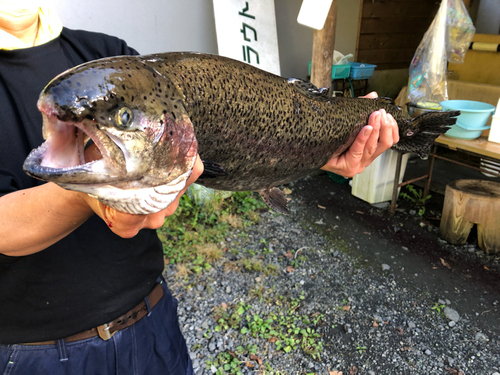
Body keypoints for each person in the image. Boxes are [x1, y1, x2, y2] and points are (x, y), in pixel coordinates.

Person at [0, 3, 398, 374]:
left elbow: (196, 139)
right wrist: (92, 196)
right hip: (33, 354)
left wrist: (315, 148)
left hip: (152, 323)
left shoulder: (105, 51)